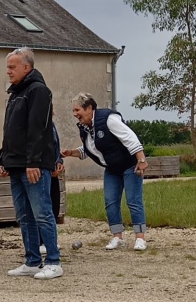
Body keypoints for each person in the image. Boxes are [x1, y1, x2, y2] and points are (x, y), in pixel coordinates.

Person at [0, 48, 63, 280]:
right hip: (15, 165)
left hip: (33, 165)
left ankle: (54, 261)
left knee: (42, 213)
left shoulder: (38, 91)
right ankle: (33, 261)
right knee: (24, 216)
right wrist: (2, 158)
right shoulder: (15, 94)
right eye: (8, 67)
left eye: (12, 67)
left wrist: (33, 162)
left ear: (27, 67)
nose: (8, 71)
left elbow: (38, 129)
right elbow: (11, 131)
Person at [62, 94, 148, 250]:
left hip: (129, 165)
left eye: (77, 110)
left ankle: (140, 238)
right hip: (112, 169)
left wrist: (141, 160)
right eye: (73, 110)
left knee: (133, 201)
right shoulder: (85, 127)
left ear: (89, 108)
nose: (74, 114)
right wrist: (71, 152)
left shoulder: (108, 119)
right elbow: (91, 149)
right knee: (110, 202)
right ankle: (118, 237)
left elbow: (129, 137)